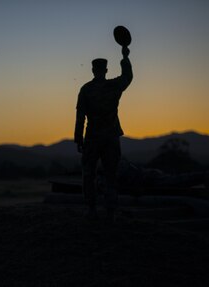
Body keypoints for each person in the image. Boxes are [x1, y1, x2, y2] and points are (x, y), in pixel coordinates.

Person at [74, 47, 133, 220]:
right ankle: (110, 212)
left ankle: (91, 209)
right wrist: (124, 58)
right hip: (111, 137)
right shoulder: (113, 86)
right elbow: (128, 77)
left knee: (89, 174)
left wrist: (78, 138)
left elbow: (80, 116)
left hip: (92, 137)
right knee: (111, 175)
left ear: (93, 70)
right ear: (106, 70)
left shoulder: (86, 89)